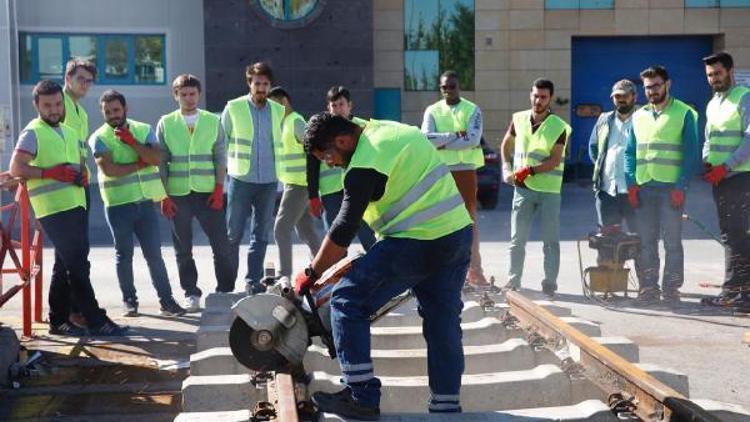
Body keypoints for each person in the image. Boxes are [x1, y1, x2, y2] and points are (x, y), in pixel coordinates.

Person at [296, 113, 473, 420]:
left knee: (347, 299)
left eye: (328, 156)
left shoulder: (365, 161)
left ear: (342, 141)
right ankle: (447, 408)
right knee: (442, 320)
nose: (329, 164)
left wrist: (311, 274)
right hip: (455, 236)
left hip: (416, 242)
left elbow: (343, 230)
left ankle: (361, 396)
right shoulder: (388, 129)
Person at [9, 80, 126, 336]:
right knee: (78, 265)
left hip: (76, 204)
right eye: (47, 105)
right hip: (53, 210)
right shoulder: (32, 132)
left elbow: (79, 164)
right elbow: (18, 168)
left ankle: (58, 320)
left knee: (65, 265)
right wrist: (49, 172)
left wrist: (83, 175)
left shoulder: (70, 132)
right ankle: (95, 319)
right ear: (36, 105)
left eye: (58, 104)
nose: (54, 109)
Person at [90, 89, 185, 317]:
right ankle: (129, 301)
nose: (113, 115)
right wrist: (140, 164)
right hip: (118, 205)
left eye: (116, 110)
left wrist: (132, 142)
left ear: (125, 109)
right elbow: (110, 170)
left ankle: (167, 301)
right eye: (108, 111)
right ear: (102, 113)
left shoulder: (143, 130)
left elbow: (156, 158)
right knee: (124, 255)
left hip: (144, 204)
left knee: (154, 255)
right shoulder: (99, 137)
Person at [157, 74, 235, 312]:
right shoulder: (166, 123)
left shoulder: (213, 121)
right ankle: (191, 292)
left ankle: (225, 290)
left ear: (199, 95)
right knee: (183, 248)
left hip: (209, 192)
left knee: (221, 245)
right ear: (176, 96)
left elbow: (220, 156)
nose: (189, 98)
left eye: (192, 94)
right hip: (178, 194)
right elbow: (161, 161)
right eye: (184, 94)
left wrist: (220, 188)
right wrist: (163, 195)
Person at [625, 65, 699, 304]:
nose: (652, 91)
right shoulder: (638, 116)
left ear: (668, 84)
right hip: (644, 187)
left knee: (672, 242)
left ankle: (671, 288)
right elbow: (629, 153)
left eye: (656, 85)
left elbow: (690, 154)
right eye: (647, 87)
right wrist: (631, 183)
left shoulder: (684, 113)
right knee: (646, 242)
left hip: (671, 189)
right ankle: (649, 288)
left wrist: (681, 186)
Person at [500, 78, 571, 298]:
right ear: (530, 95)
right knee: (517, 238)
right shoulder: (519, 119)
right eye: (535, 95)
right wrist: (505, 167)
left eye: (543, 97)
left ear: (550, 99)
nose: (538, 100)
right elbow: (506, 145)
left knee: (550, 240)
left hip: (549, 190)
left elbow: (555, 160)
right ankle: (513, 281)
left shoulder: (559, 127)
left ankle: (550, 282)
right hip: (523, 189)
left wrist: (528, 171)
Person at [222, 62, 285, 294]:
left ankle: (253, 281)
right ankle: (227, 283)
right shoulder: (234, 107)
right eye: (257, 83)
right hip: (240, 179)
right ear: (249, 83)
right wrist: (222, 176)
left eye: (265, 84)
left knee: (260, 236)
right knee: (233, 234)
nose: (261, 88)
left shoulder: (278, 111)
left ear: (270, 86)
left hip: (268, 181)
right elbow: (222, 142)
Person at [422, 70, 488, 289]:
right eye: (444, 87)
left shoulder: (472, 110)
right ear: (440, 88)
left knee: (469, 222)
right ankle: (442, 272)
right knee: (441, 222)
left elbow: (472, 140)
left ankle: (475, 271)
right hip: (441, 172)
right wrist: (456, 134)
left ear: (459, 86)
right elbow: (426, 139)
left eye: (452, 86)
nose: (448, 90)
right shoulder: (432, 111)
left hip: (465, 172)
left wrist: (444, 139)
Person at [700, 52, 750, 311]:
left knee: (739, 235)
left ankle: (742, 293)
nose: (714, 79)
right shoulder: (713, 103)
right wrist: (707, 160)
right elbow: (709, 138)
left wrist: (727, 166)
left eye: (718, 73)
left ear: (730, 71)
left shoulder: (745, 97)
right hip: (721, 179)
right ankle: (734, 291)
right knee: (730, 235)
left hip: (741, 177)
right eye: (710, 75)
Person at [306, 86, 377, 250]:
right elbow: (312, 165)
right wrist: (312, 196)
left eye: (341, 104)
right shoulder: (320, 130)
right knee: (335, 238)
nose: (338, 109)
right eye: (334, 105)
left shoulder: (362, 128)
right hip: (330, 191)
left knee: (368, 235)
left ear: (350, 105)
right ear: (328, 107)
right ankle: (336, 274)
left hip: (359, 188)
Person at [267, 86, 322, 279]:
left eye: (274, 104)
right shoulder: (284, 124)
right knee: (306, 231)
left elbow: (312, 150)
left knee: (281, 228)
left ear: (284, 102)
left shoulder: (296, 122)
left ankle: (284, 275)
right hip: (294, 184)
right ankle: (323, 269)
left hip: (298, 185)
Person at [60, 58, 96, 328]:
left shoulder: (81, 112)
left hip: (80, 183)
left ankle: (74, 310)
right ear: (68, 77)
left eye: (88, 80)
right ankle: (65, 314)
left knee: (78, 253)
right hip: (62, 184)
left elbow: (80, 149)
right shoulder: (57, 102)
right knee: (68, 255)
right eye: (80, 78)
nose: (85, 84)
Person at [588, 79, 639, 232]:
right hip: (607, 190)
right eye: (617, 96)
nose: (621, 99)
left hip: (635, 190)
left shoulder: (643, 119)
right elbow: (594, 148)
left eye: (625, 95)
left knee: (640, 241)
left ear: (634, 97)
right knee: (608, 243)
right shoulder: (604, 119)